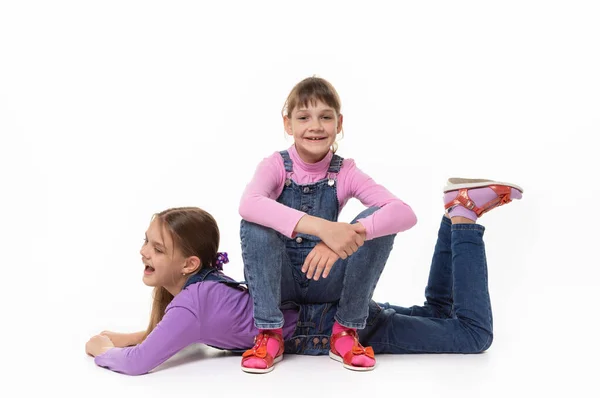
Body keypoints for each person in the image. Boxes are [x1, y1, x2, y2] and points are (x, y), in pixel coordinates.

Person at [85, 179, 523, 375]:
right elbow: (158, 335)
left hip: (332, 328)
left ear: (190, 265)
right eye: (147, 242)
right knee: (439, 313)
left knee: (471, 336)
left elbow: (140, 363)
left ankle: (463, 219)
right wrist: (126, 334)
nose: (144, 252)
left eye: (157, 248)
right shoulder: (199, 294)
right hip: (336, 317)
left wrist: (104, 350)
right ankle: (454, 214)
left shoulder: (191, 304)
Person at [237, 76, 418, 372]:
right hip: (280, 281)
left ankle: (345, 331)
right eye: (304, 117)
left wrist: (345, 238)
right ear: (288, 125)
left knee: (376, 220)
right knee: (254, 223)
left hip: (325, 278)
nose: (316, 126)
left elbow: (404, 213)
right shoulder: (275, 165)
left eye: (325, 117)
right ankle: (269, 332)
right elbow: (249, 204)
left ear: (339, 123)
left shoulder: (345, 171)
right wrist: (324, 229)